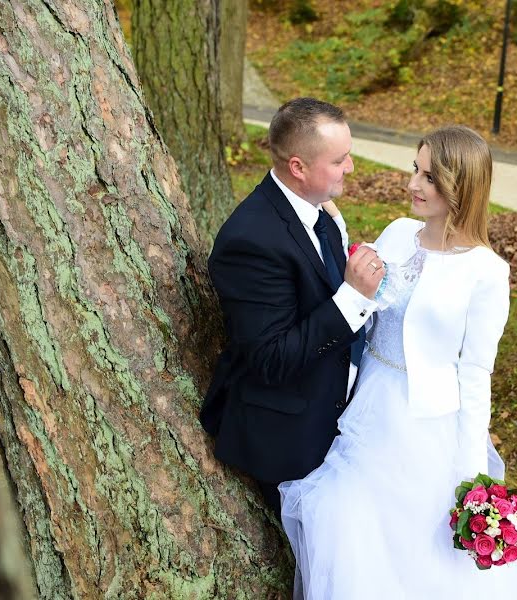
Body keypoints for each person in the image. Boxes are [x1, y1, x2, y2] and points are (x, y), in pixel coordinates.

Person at [279, 126, 517, 598]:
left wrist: (473, 476)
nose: (413, 184)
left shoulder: (486, 273)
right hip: (365, 399)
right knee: (349, 523)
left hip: (424, 425)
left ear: (463, 186)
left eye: (430, 177)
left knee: (418, 548)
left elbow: (476, 374)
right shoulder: (398, 232)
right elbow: (363, 288)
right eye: (415, 170)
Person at [199, 98, 385, 517]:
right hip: (290, 438)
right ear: (298, 167)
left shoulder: (321, 212)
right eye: (339, 160)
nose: (351, 168)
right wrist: (352, 298)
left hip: (345, 418)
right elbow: (271, 358)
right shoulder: (251, 241)